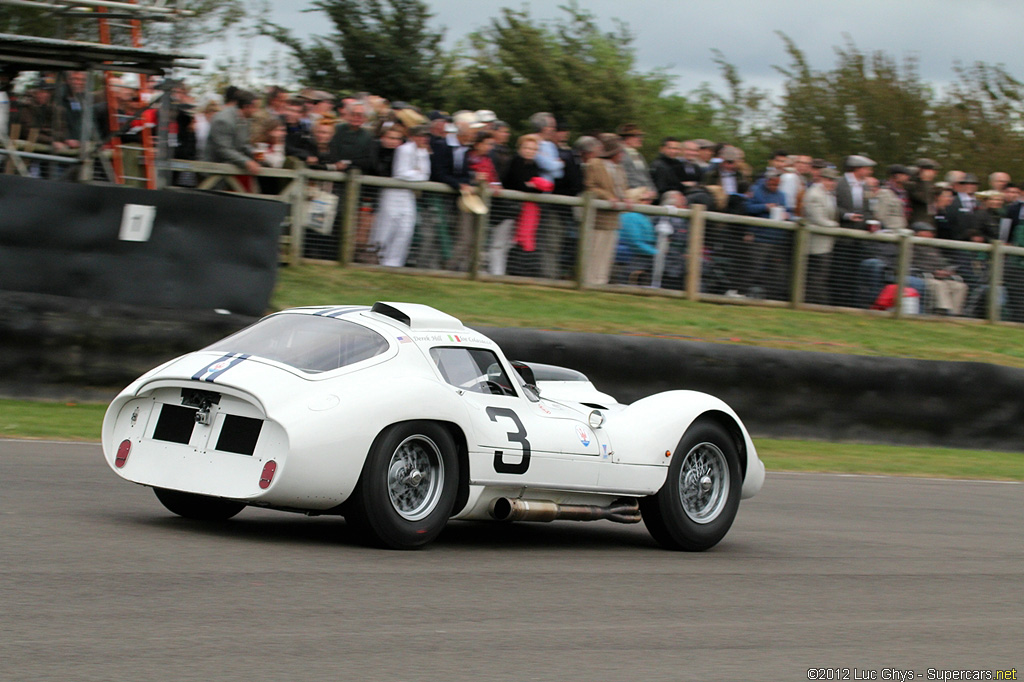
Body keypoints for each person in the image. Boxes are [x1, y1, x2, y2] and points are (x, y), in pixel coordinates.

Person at [370, 124, 430, 267]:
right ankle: (377, 257)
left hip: (408, 194)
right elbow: (401, 173)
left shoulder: (423, 152)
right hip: (393, 192)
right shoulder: (404, 150)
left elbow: (426, 174)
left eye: (425, 136)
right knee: (386, 226)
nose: (423, 139)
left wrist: (418, 174)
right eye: (420, 136)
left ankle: (395, 262)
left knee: (405, 229)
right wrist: (418, 173)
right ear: (413, 137)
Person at [501, 133, 552, 276]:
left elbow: (536, 188)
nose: (530, 151)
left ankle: (516, 272)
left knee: (519, 240)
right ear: (520, 148)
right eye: (527, 148)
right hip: (509, 208)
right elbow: (518, 184)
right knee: (503, 241)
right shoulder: (515, 162)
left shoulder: (534, 165)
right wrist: (531, 185)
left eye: (533, 149)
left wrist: (531, 185)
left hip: (524, 210)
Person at [583, 133, 628, 285]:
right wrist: (607, 196)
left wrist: (626, 198)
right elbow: (590, 186)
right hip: (597, 217)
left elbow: (623, 188)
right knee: (594, 250)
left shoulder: (620, 169)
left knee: (607, 252)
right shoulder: (594, 164)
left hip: (613, 219)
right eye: (620, 151)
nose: (622, 155)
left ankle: (602, 281)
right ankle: (589, 280)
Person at [204, 88, 261, 190]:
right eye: (255, 107)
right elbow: (223, 149)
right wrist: (246, 162)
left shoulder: (245, 120)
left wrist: (254, 153)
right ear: (246, 106)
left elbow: (243, 144)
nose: (256, 110)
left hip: (231, 169)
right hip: (215, 170)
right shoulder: (223, 120)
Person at [909, 222, 968, 315]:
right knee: (939, 285)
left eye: (931, 232)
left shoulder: (933, 248)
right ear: (917, 233)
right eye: (927, 232)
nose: (931, 234)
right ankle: (943, 311)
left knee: (959, 286)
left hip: (941, 277)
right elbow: (913, 264)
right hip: (924, 276)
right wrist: (934, 272)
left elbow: (942, 262)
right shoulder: (911, 246)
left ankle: (955, 313)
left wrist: (947, 270)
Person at [802, 167, 841, 304]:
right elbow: (818, 219)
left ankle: (815, 303)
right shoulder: (815, 194)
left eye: (834, 180)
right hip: (816, 244)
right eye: (829, 180)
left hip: (825, 244)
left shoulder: (827, 194)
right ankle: (813, 303)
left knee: (821, 275)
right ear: (822, 179)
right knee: (816, 276)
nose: (832, 183)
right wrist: (836, 226)